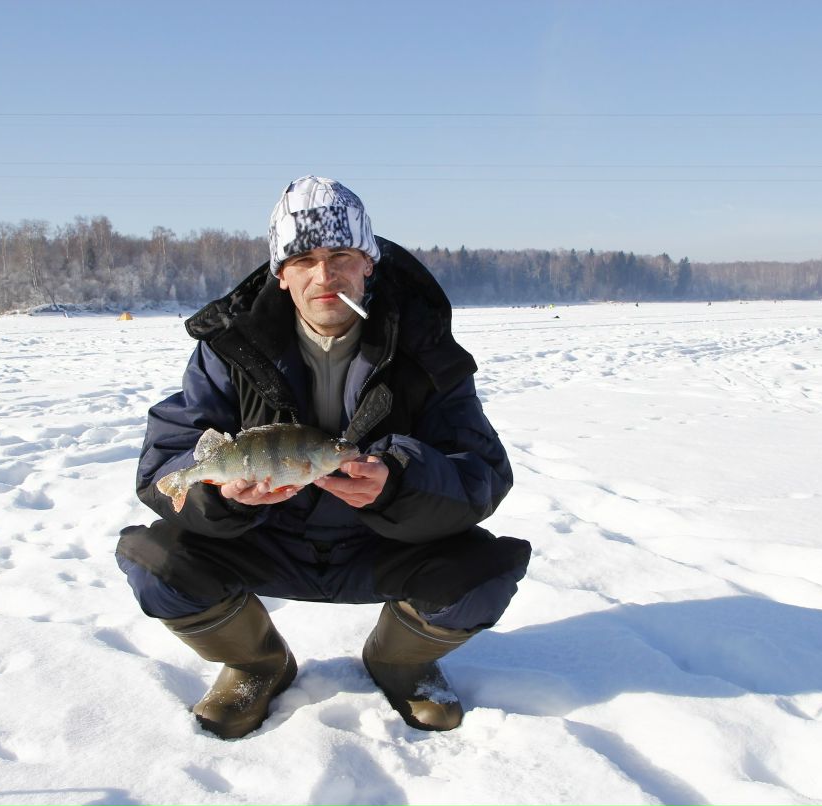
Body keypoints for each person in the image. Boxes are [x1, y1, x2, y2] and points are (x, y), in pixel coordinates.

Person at [116, 176, 530, 739]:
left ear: (369, 266)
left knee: (484, 572)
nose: (324, 274)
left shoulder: (426, 349)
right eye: (304, 259)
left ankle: (400, 662)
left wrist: (397, 483)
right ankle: (257, 664)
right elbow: (166, 457)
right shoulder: (228, 348)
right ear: (280, 275)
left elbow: (481, 472)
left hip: (381, 543)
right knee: (154, 560)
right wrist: (221, 497)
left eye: (341, 256)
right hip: (267, 538)